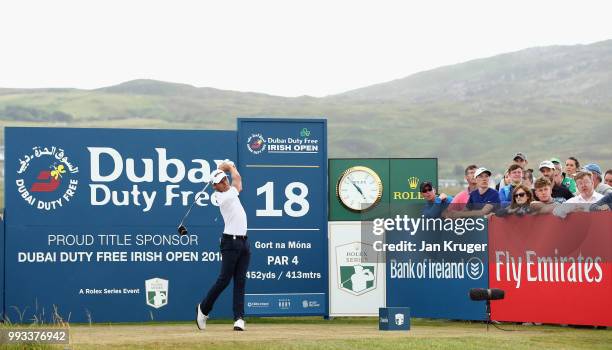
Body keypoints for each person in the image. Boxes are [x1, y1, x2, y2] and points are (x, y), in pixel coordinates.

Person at [197, 161, 250, 331]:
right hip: (230, 241)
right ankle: (203, 308)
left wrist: (225, 168)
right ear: (215, 186)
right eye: (221, 181)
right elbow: (238, 183)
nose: (225, 182)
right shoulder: (220, 197)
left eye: (225, 179)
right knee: (224, 280)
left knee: (240, 281)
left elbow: (234, 179)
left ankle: (239, 318)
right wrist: (230, 167)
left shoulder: (227, 190)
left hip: (244, 242)